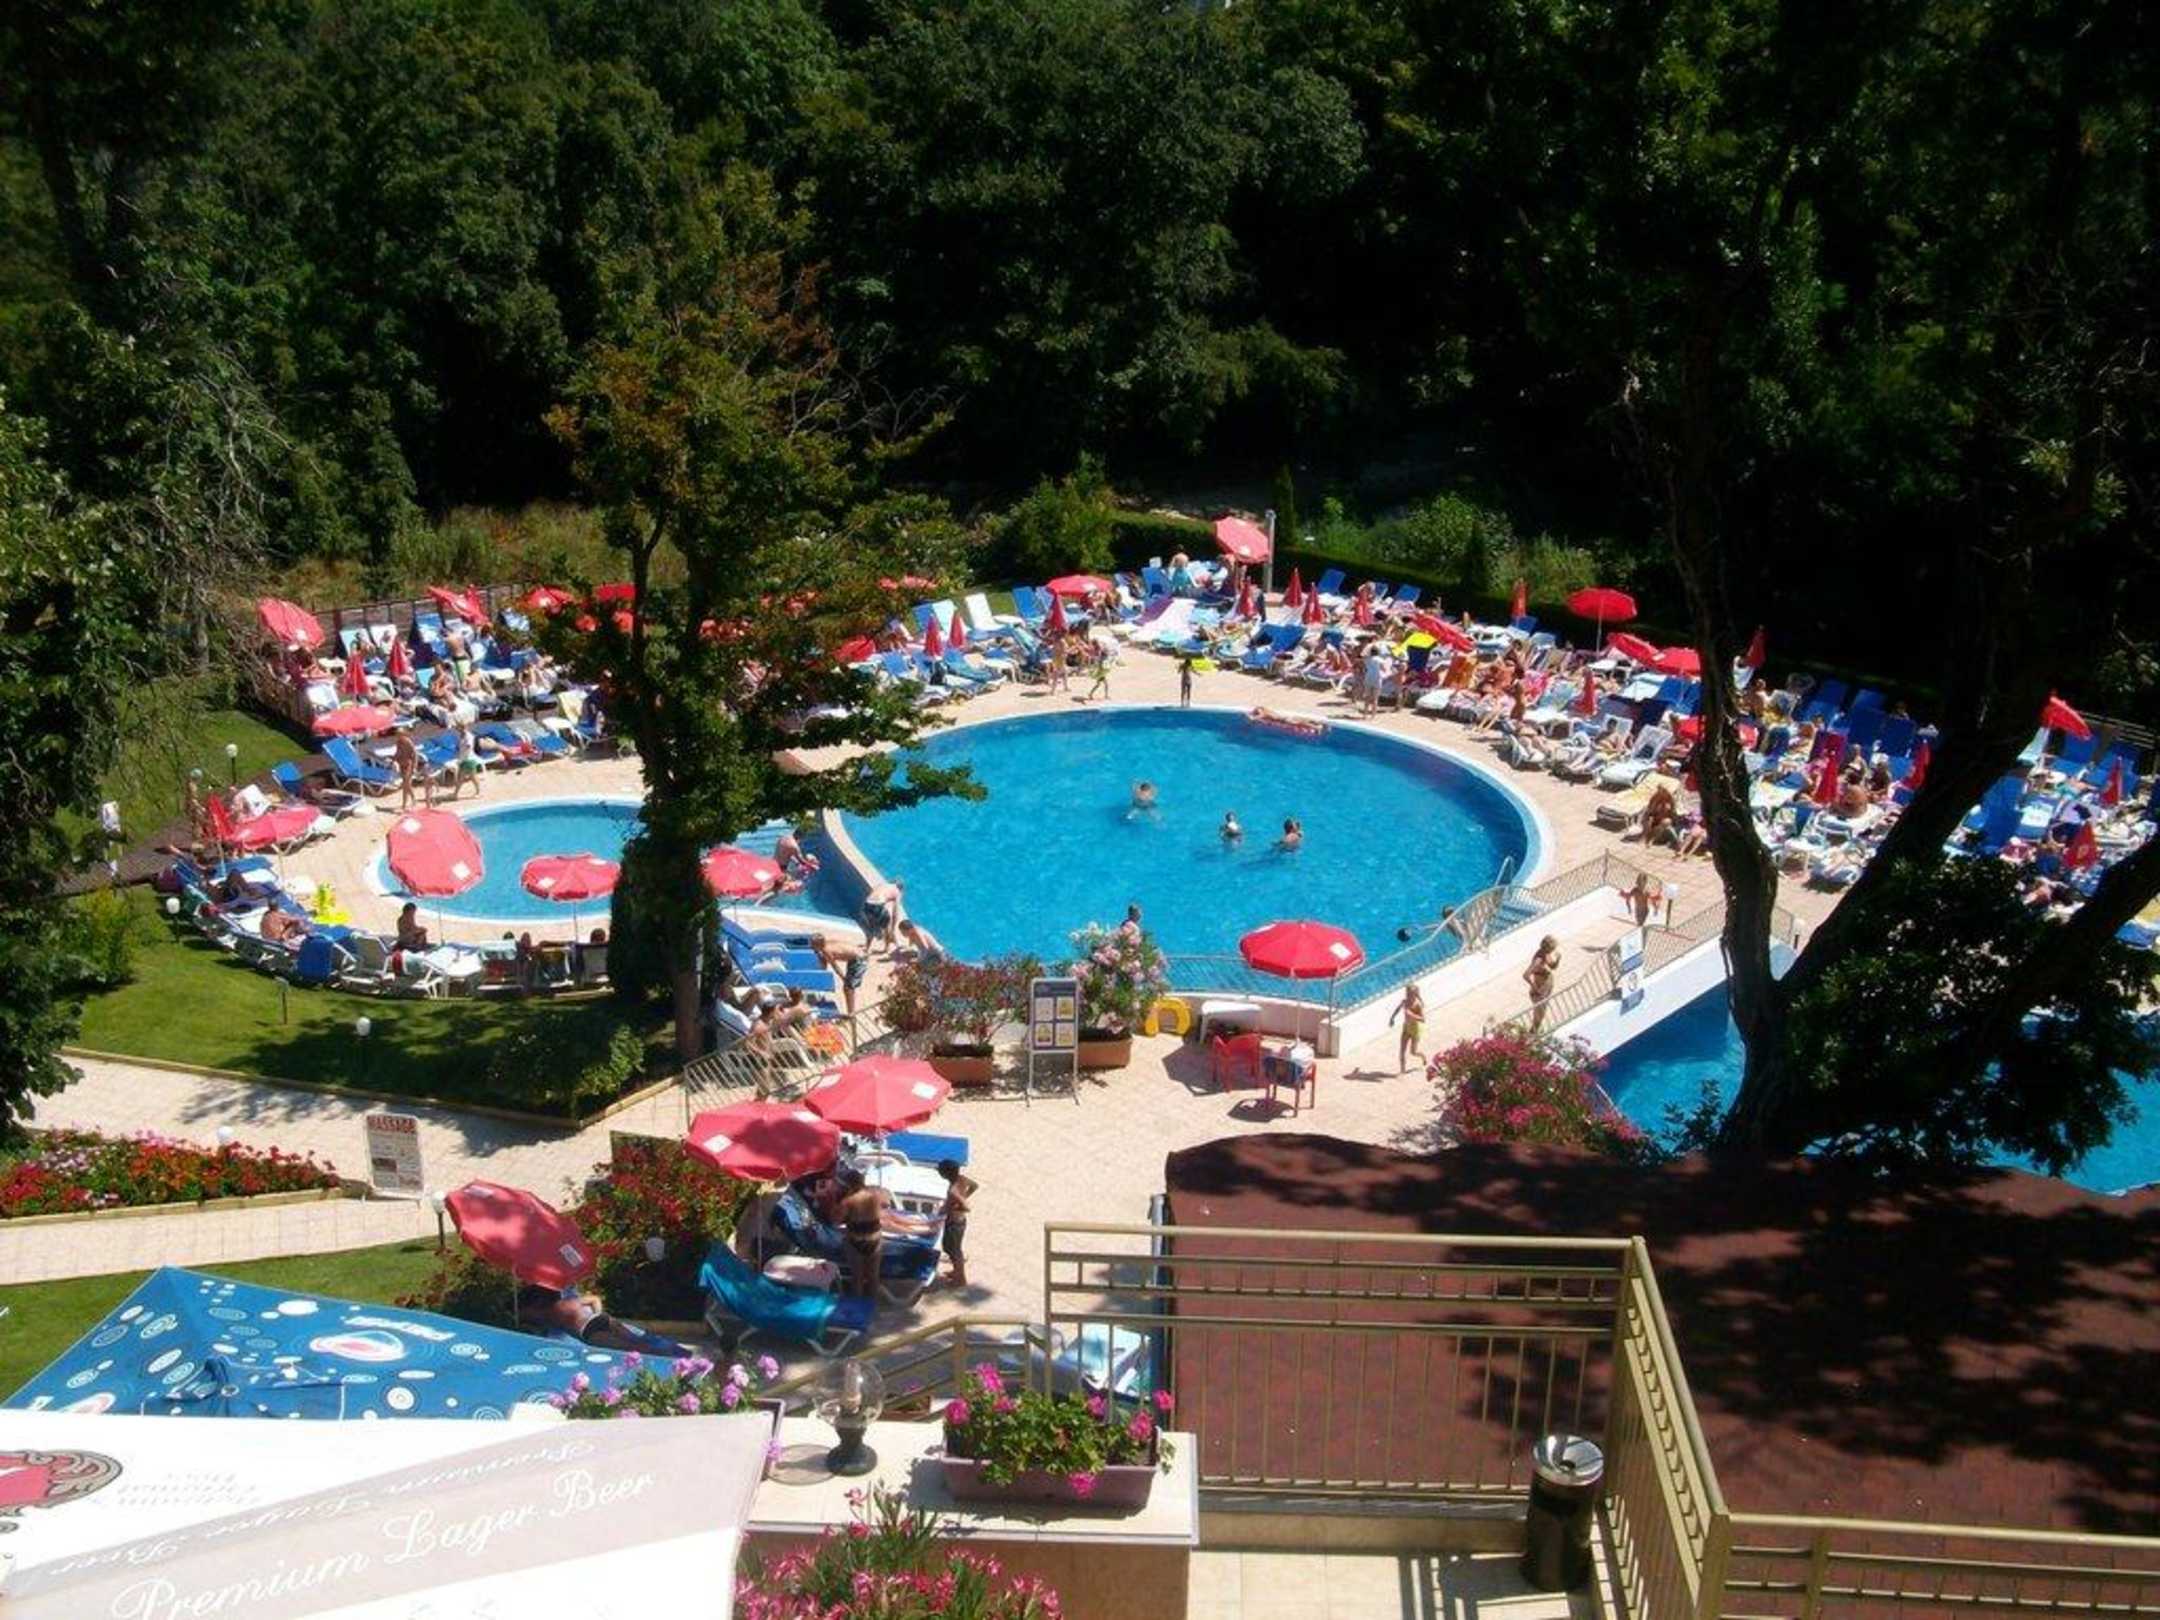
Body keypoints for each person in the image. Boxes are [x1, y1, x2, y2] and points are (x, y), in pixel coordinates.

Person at [834, 1167, 885, 1301]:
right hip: (875, 1239)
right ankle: (872, 1305)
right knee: (873, 1277)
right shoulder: (876, 1196)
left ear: (848, 1185)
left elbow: (836, 1221)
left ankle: (857, 1306)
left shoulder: (848, 1201)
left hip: (856, 1240)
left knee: (857, 1278)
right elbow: (881, 1212)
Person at [936, 1159, 978, 1289]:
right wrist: (964, 1196)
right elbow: (975, 1186)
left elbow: (967, 1207)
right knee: (952, 1249)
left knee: (954, 1251)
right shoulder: (962, 1179)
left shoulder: (952, 1190)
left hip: (954, 1223)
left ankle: (960, 1279)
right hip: (960, 1222)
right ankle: (957, 1273)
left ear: (946, 1174)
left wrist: (956, 1206)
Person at [812, 933, 868, 1017]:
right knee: (848, 988)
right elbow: (824, 965)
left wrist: (844, 979)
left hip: (860, 960)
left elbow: (835, 967)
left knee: (848, 988)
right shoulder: (827, 944)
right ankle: (851, 1012)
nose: (811, 946)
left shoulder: (826, 951)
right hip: (857, 956)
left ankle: (851, 1014)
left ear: (818, 945)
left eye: (813, 945)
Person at [1524, 936, 1562, 1032]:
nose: (1553, 950)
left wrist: (1558, 959)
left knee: (1541, 1015)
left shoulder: (1545, 954)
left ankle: (1534, 1033)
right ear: (1548, 947)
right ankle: (1532, 1034)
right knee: (1539, 1016)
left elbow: (1553, 967)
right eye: (1553, 948)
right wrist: (1535, 987)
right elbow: (1526, 975)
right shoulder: (1539, 959)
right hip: (1540, 990)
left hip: (1545, 988)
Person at [1389, 984, 1426, 1074]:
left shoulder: (1417, 1005)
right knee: (1402, 1051)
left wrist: (1411, 1015)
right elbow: (1398, 1009)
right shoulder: (1404, 1002)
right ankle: (1403, 1071)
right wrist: (1392, 1018)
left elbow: (1423, 1019)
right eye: (1407, 993)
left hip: (1415, 1030)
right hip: (1406, 1028)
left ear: (1415, 994)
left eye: (1410, 994)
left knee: (1413, 1052)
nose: (1407, 996)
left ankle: (1423, 1056)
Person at [860, 880, 905, 951]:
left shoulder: (882, 885)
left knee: (871, 926)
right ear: (901, 889)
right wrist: (893, 929)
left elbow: (872, 895)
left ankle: (867, 947)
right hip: (877, 905)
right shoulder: (897, 891)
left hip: (867, 904)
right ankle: (886, 948)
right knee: (887, 926)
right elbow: (895, 912)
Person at [391, 730, 423, 809]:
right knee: (407, 785)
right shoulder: (398, 742)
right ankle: (413, 798)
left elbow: (415, 754)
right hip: (402, 765)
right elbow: (398, 753)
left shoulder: (408, 742)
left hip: (409, 765)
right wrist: (393, 759)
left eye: (399, 735)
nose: (398, 737)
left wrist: (414, 767)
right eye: (397, 735)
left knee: (405, 785)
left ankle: (404, 804)